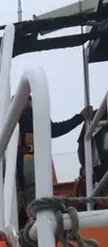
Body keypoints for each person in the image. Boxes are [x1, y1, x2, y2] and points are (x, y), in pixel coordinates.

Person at [17, 96, 92, 225]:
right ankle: (30, 224)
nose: (29, 103)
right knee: (26, 197)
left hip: (28, 163)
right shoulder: (24, 116)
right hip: (23, 165)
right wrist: (80, 117)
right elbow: (54, 130)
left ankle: (32, 224)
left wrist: (79, 118)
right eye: (28, 100)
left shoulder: (31, 115)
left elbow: (54, 130)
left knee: (30, 197)